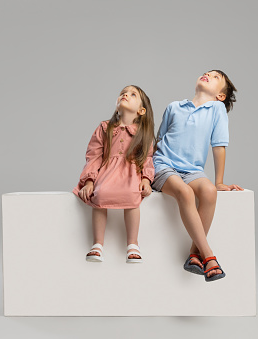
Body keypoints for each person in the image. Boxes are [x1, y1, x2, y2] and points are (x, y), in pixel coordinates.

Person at [152, 70, 243, 282]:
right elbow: (158, 142)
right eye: (206, 73)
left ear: (220, 95)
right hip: (164, 164)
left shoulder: (217, 109)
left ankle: (194, 255)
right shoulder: (174, 107)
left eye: (215, 77)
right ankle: (208, 256)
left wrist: (218, 181)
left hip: (192, 170)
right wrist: (144, 175)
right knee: (185, 194)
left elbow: (219, 146)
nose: (207, 75)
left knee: (210, 191)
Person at [73, 85, 155, 263]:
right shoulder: (105, 128)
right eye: (123, 93)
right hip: (107, 172)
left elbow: (148, 158)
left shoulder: (143, 134)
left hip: (131, 174)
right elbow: (94, 155)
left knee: (133, 196)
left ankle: (133, 243)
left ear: (141, 110)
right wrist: (89, 181)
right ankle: (97, 244)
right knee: (99, 195)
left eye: (132, 94)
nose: (125, 94)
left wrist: (147, 179)